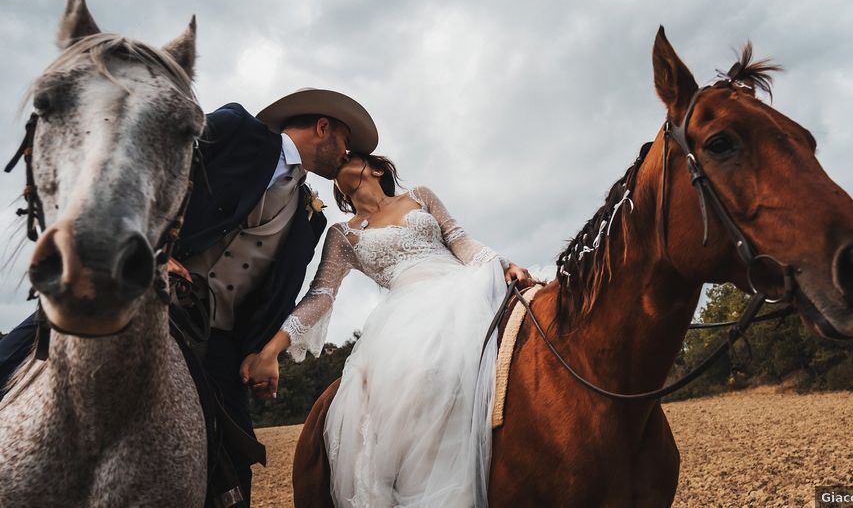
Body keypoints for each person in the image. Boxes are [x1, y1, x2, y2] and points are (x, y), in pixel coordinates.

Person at [0, 87, 379, 506]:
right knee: (17, 351)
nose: (347, 153)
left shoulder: (313, 217)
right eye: (345, 140)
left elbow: (277, 291)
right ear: (322, 127)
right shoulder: (238, 129)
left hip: (219, 336)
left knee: (236, 461)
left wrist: (260, 352)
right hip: (143, 289)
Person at [244, 152, 534, 507]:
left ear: (376, 169)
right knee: (425, 371)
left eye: (350, 156)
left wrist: (503, 264)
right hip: (408, 309)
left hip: (464, 287)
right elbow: (321, 295)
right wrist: (271, 349)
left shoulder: (420, 196)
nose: (341, 161)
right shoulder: (341, 234)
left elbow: (460, 241)